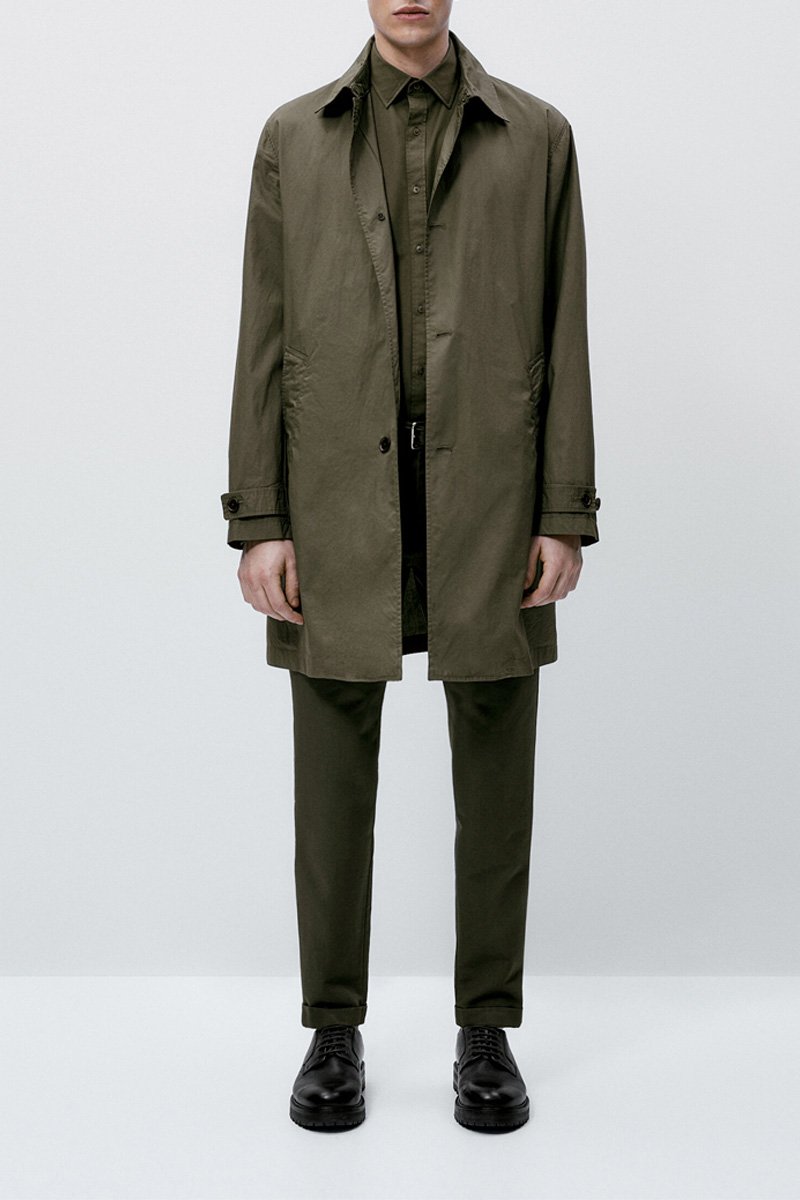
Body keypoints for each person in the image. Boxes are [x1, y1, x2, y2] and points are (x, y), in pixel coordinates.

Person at [221, 0, 600, 1133]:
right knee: (332, 778)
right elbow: (263, 333)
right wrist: (261, 517)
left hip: (491, 499)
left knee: (496, 778)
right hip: (338, 498)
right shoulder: (294, 136)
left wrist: (562, 509)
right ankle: (331, 1030)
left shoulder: (536, 136)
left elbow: (565, 328)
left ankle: (485, 1030)